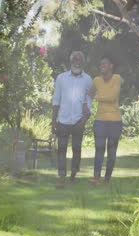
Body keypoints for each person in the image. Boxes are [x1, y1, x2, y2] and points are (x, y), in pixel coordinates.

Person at [52, 51, 92, 188]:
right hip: (62, 120)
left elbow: (89, 102)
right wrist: (53, 122)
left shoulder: (88, 79)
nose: (77, 61)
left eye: (80, 59)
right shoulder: (61, 78)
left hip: (78, 122)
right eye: (75, 59)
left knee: (77, 149)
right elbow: (56, 100)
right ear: (71, 61)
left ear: (83, 62)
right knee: (61, 150)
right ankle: (62, 176)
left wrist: (84, 120)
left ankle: (73, 175)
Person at [89, 55, 123, 185]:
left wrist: (97, 96)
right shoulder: (96, 80)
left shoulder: (117, 78)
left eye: (104, 64)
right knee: (99, 149)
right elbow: (89, 95)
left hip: (115, 121)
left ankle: (107, 178)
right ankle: (96, 177)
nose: (101, 66)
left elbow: (112, 97)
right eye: (100, 64)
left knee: (112, 152)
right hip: (100, 121)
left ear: (111, 66)